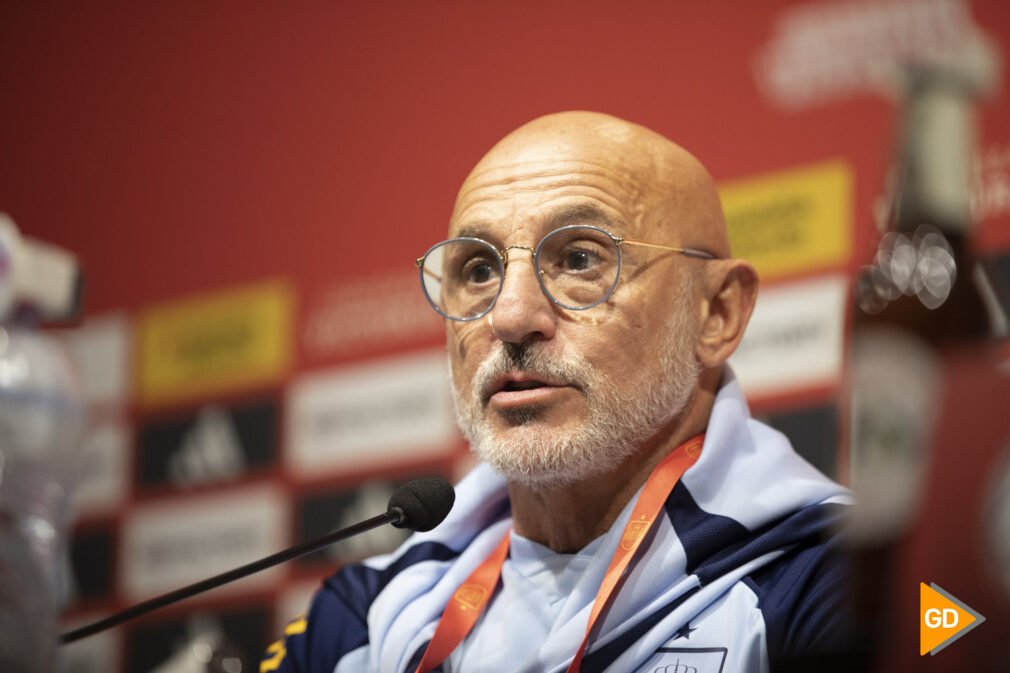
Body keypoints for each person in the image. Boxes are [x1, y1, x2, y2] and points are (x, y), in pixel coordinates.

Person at [261, 111, 851, 673]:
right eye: (477, 270)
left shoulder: (833, 581)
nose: (511, 315)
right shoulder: (365, 618)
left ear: (716, 313)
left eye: (578, 258)